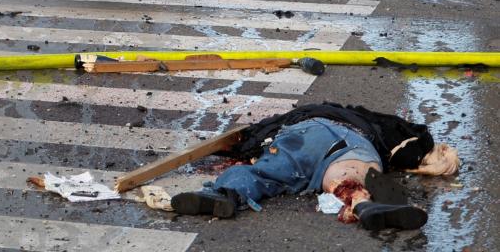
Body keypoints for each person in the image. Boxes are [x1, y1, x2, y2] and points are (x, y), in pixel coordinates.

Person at [172, 102, 459, 231]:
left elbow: (252, 135)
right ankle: (362, 204)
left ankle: (226, 194)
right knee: (350, 176)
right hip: (352, 144)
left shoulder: (306, 114)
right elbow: (412, 146)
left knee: (262, 173)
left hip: (302, 136)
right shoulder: (383, 131)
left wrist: (248, 145)